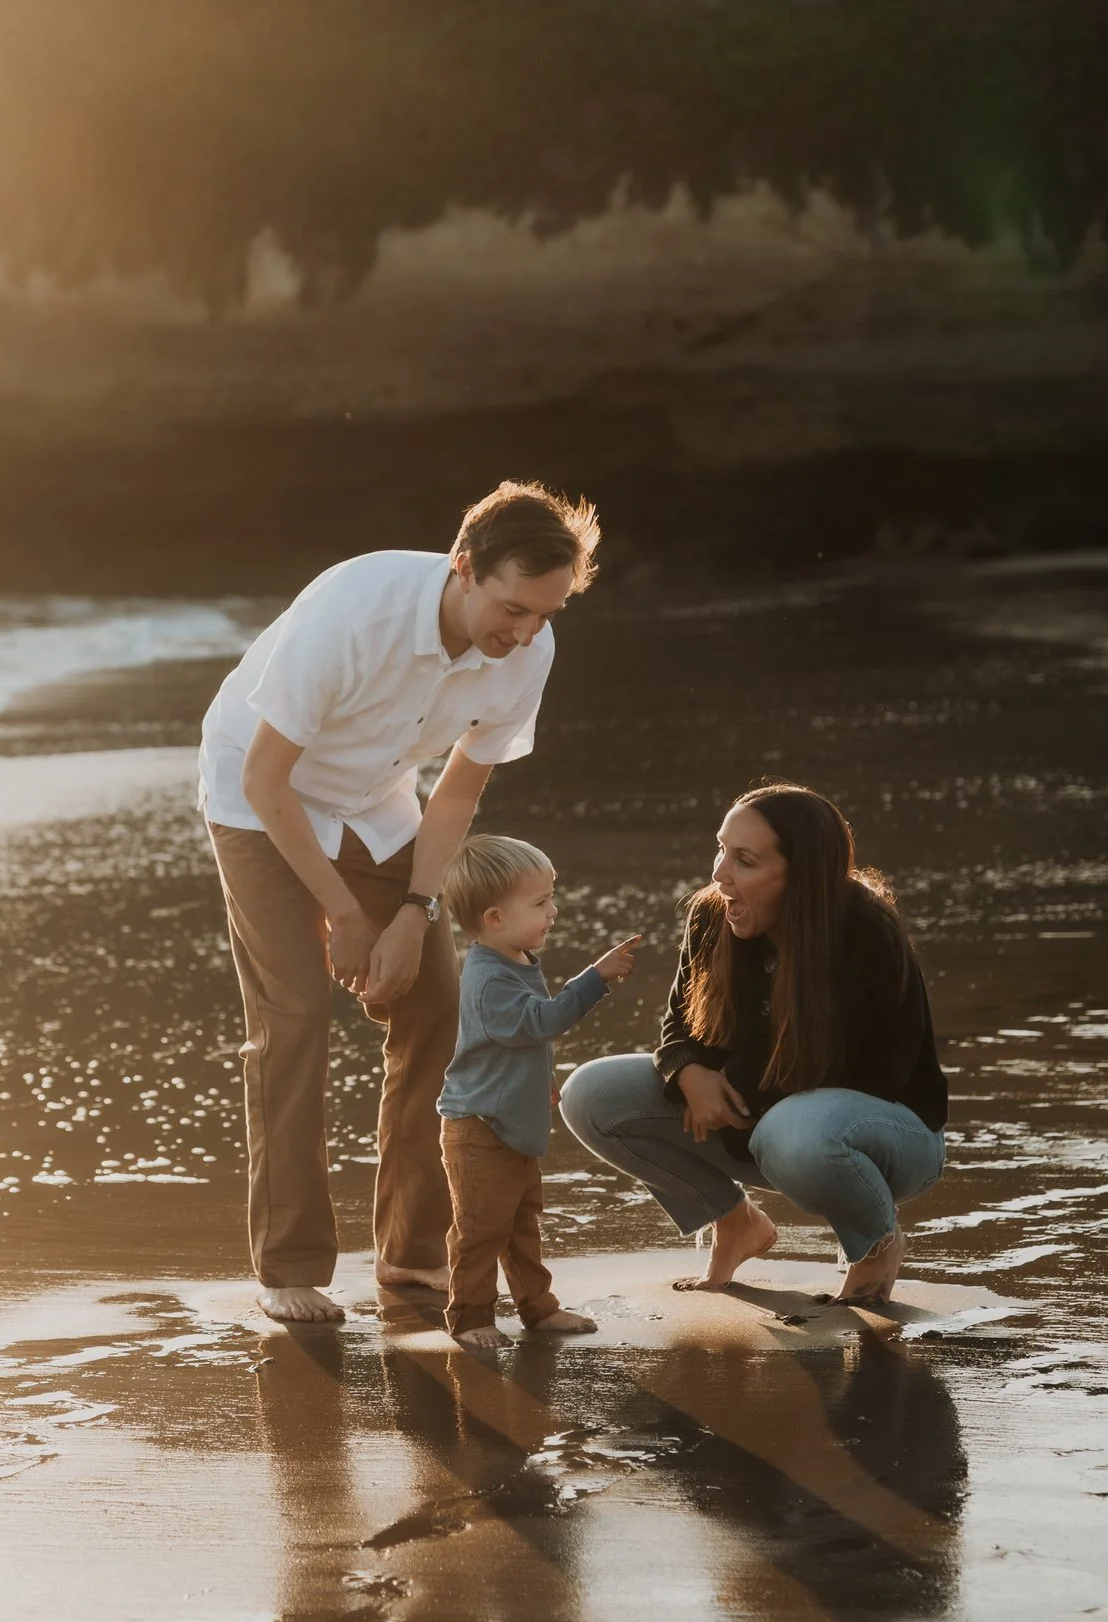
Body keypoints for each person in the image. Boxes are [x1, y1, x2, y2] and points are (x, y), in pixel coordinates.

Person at [200, 481, 601, 1325]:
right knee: (297, 1014)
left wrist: (415, 910)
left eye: (547, 611)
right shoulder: (356, 608)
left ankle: (414, 1257)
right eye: (514, 607)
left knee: (440, 1011)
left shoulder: (530, 647)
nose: (525, 630)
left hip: (381, 797)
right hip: (260, 791)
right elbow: (266, 779)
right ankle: (289, 1264)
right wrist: (343, 914)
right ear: (464, 568)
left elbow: (456, 794)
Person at [559, 784, 948, 1306]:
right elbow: (677, 1022)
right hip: (761, 1127)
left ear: (802, 874)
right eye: (721, 849)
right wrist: (688, 1073)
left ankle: (875, 1243)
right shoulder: (713, 915)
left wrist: (733, 1087)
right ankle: (733, 1222)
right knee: (591, 1093)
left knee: (794, 1130)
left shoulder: (866, 933)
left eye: (745, 861)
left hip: (886, 1137)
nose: (720, 874)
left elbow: (876, 1074)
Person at [435, 834, 639, 1345]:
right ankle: (471, 1317)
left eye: (552, 898)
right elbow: (540, 1022)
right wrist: (594, 978)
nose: (554, 911)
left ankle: (537, 1308)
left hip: (512, 1123)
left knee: (523, 1222)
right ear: (495, 918)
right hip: (479, 1128)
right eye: (541, 903)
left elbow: (519, 1043)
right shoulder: (488, 978)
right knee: (482, 1230)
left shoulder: (517, 956)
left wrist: (541, 1079)